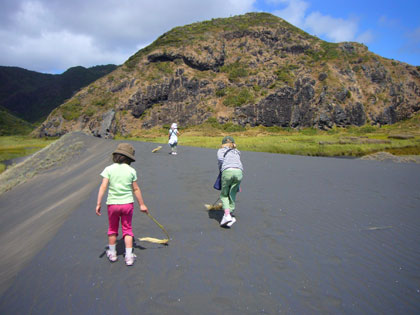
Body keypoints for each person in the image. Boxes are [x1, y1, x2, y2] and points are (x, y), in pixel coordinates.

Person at [96, 143, 148, 266]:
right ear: (129, 158)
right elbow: (135, 189)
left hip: (112, 204)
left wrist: (98, 203)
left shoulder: (109, 169)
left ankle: (112, 253)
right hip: (127, 204)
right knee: (127, 229)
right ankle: (129, 256)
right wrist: (142, 204)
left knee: (112, 229)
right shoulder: (131, 171)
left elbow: (103, 186)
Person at [217, 136, 243, 227]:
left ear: (223, 143)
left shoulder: (221, 151)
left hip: (227, 171)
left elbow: (220, 161)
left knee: (224, 195)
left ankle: (227, 215)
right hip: (239, 172)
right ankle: (231, 214)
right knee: (232, 193)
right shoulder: (237, 151)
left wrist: (221, 171)